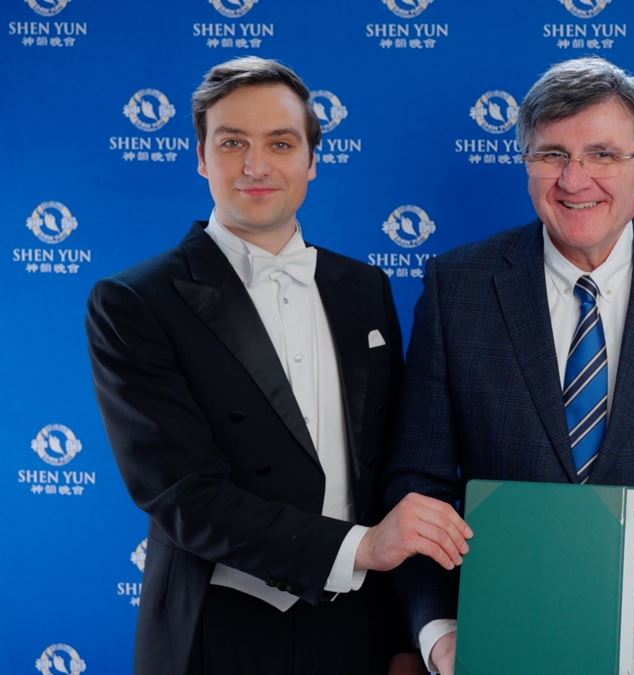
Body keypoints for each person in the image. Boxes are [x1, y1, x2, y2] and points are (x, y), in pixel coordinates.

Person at [386, 56, 634, 674]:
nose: (574, 180)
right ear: (527, 165)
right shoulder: (458, 287)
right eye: (552, 154)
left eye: (602, 154)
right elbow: (419, 490)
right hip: (501, 641)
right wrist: (441, 633)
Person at [86, 56, 471, 675]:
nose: (256, 165)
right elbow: (181, 494)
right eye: (232, 142)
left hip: (358, 628)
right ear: (201, 157)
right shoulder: (136, 302)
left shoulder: (365, 288)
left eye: (281, 143)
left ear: (312, 160)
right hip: (217, 630)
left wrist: (407, 632)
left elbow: (390, 468)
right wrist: (362, 548)